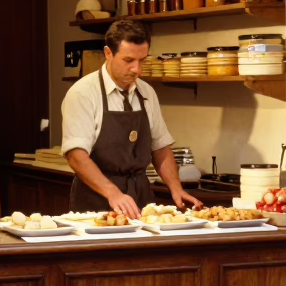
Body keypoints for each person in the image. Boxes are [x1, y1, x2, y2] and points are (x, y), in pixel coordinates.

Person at [61, 19, 203, 218]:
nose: (137, 69)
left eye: (142, 60)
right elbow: (76, 156)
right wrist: (114, 194)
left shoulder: (147, 92)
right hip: (96, 201)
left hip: (141, 198)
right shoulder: (82, 93)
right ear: (108, 53)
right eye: (128, 61)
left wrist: (176, 188)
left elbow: (160, 147)